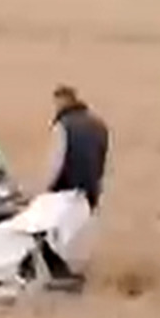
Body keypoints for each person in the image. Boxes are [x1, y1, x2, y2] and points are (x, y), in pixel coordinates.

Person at [41, 85, 110, 290]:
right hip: (91, 190)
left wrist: (44, 191)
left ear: (62, 101)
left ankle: (61, 281)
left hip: (66, 190)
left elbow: (57, 161)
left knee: (57, 240)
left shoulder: (63, 126)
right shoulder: (99, 125)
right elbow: (102, 158)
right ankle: (78, 277)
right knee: (80, 238)